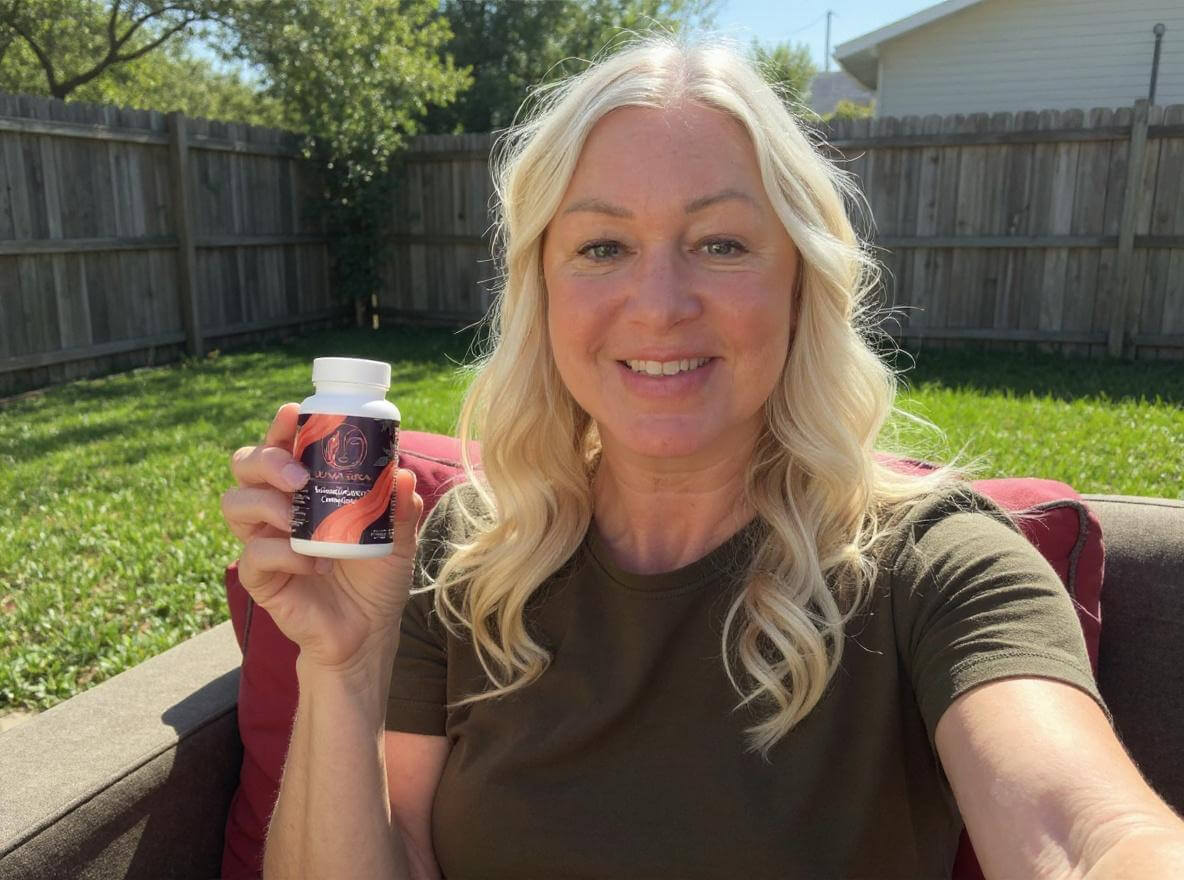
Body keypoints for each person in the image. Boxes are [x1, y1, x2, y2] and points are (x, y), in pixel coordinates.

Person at [221, 32, 1184, 880]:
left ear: (801, 283)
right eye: (602, 247)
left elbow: (1084, 837)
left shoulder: (937, 568)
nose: (659, 305)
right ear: (541, 292)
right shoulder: (461, 556)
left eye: (721, 244)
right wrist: (344, 666)